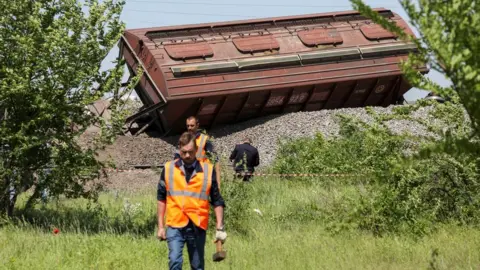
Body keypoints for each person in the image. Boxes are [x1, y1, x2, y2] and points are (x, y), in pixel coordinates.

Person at [158, 132, 227, 270]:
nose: (188, 155)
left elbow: (217, 199)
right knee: (174, 261)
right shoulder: (168, 168)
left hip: (197, 225)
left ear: (196, 150)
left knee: (197, 265)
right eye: (184, 152)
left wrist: (220, 226)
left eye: (190, 152)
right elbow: (161, 198)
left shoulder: (208, 170)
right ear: (179, 149)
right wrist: (160, 226)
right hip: (175, 223)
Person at [174, 116, 222, 188]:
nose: (189, 128)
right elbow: (176, 159)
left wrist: (218, 182)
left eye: (192, 125)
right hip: (187, 176)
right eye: (188, 126)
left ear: (197, 125)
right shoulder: (183, 139)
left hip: (202, 175)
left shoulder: (204, 139)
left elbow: (215, 160)